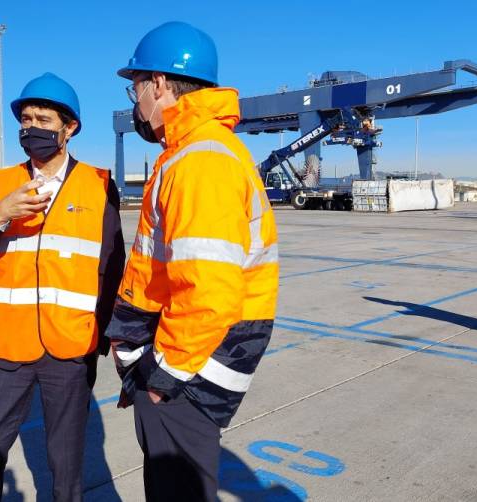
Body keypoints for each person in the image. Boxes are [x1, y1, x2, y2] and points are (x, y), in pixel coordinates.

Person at [106, 21, 280, 501]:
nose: (135, 100)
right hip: (184, 365)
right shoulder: (192, 151)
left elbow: (208, 293)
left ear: (159, 84)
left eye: (136, 86)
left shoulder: (201, 160)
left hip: (186, 373)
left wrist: (161, 379)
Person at [0, 72, 125, 501]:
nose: (31, 127)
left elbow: (113, 267)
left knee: (66, 460)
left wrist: (100, 337)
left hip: (70, 349)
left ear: (69, 129)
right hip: (9, 346)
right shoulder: (3, 182)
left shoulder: (101, 185)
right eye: (26, 119)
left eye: (43, 119)